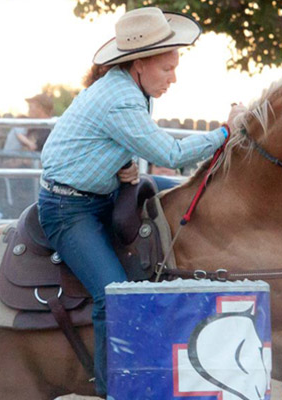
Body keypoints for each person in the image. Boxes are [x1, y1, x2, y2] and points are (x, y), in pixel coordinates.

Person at [37, 7, 243, 396]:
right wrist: (227, 130)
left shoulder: (132, 89)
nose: (173, 77)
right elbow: (172, 153)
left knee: (185, 197)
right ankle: (113, 386)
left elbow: (116, 142)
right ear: (140, 64)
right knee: (112, 293)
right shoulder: (121, 100)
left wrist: (124, 165)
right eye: (167, 68)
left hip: (101, 191)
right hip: (68, 210)